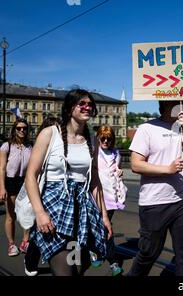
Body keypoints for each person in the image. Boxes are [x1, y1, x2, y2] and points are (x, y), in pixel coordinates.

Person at [25, 89, 112, 276]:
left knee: (78, 269)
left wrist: (104, 215)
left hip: (82, 210)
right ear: (70, 108)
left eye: (90, 104)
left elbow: (95, 181)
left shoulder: (92, 140)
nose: (87, 107)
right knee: (64, 271)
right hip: (55, 208)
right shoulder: (50, 134)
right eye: (82, 103)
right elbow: (30, 175)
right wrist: (40, 213)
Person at [127, 100, 183, 276]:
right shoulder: (147, 128)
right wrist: (166, 170)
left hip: (182, 200)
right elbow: (136, 165)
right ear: (166, 104)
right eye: (179, 103)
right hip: (154, 202)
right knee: (149, 252)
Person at [23, 116, 60, 276]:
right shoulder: (41, 143)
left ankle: (60, 263)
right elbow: (31, 173)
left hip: (56, 195)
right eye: (52, 128)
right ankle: (30, 261)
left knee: (53, 231)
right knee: (40, 231)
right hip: (40, 191)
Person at [95, 125, 127, 276]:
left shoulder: (116, 153)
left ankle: (113, 262)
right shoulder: (94, 153)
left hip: (111, 196)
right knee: (97, 226)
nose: (106, 141)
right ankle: (95, 251)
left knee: (106, 228)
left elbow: (117, 172)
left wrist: (120, 172)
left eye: (109, 138)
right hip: (95, 196)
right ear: (98, 138)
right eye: (103, 138)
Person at [0, 118, 33, 257]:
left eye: (24, 128)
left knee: (28, 213)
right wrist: (2, 187)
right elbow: (1, 168)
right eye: (19, 128)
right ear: (14, 130)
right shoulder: (7, 145)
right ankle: (11, 244)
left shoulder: (31, 145)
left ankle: (25, 241)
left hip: (26, 182)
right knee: (11, 215)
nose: (22, 130)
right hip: (11, 181)